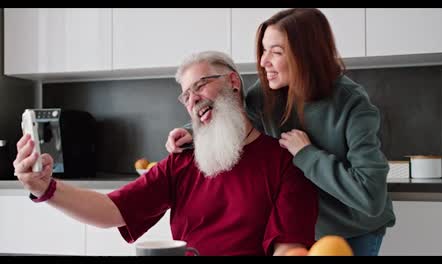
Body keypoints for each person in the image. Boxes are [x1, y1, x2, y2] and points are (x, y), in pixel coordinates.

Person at [13, 51, 319, 256]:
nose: (194, 100)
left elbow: (288, 247)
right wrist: (46, 189)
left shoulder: (284, 162)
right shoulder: (182, 161)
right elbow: (111, 210)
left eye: (200, 85)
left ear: (233, 83)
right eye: (186, 95)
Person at [165, 8, 396, 256]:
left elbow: (371, 198)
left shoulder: (353, 104)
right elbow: (233, 111)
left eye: (276, 52)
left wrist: (306, 154)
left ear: (307, 55)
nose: (263, 61)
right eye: (264, 50)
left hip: (352, 232)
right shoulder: (267, 94)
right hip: (299, 232)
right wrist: (192, 131)